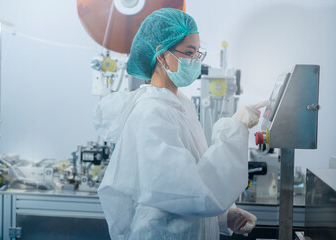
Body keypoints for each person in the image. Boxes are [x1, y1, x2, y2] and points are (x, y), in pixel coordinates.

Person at [93, 8, 266, 240]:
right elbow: (187, 191)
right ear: (162, 55)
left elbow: (192, 180)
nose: (195, 61)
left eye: (197, 54)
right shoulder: (151, 112)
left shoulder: (179, 106)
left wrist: (223, 217)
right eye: (188, 52)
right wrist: (235, 128)